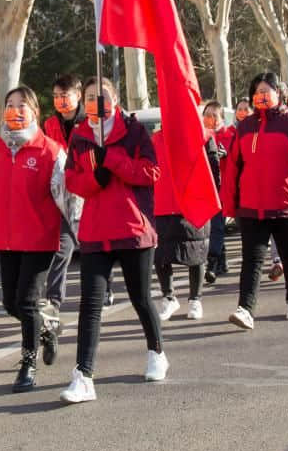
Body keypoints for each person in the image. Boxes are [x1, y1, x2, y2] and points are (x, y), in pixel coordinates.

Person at [0, 87, 76, 392]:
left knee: (26, 302)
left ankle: (28, 364)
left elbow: (69, 200)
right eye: (9, 105)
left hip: (41, 238)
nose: (15, 110)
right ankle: (49, 324)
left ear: (35, 112)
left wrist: (82, 236)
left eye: (22, 105)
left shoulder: (51, 151)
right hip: (6, 239)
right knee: (10, 304)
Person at [60, 77, 165, 403]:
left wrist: (114, 162)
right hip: (95, 231)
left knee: (141, 298)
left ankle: (156, 352)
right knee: (90, 305)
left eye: (101, 96)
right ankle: (83, 376)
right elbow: (73, 180)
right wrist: (96, 177)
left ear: (115, 98)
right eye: (89, 97)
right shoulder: (79, 135)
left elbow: (150, 172)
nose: (96, 101)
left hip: (133, 227)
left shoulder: (134, 131)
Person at [221, 72, 288, 330]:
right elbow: (232, 168)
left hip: (286, 204)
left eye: (266, 91)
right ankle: (245, 309)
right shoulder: (245, 126)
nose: (261, 96)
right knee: (252, 259)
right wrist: (229, 204)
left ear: (279, 93)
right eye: (257, 92)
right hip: (251, 206)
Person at [41, 74, 86, 339]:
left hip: (87, 194)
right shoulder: (48, 124)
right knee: (62, 250)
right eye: (56, 96)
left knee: (94, 248)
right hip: (61, 196)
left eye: (64, 95)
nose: (59, 101)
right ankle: (54, 303)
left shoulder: (91, 122)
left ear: (77, 95)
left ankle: (105, 287)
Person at [153, 122, 212, 323]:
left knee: (196, 252)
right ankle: (168, 297)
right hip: (161, 203)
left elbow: (211, 163)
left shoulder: (197, 134)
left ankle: (195, 299)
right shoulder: (155, 139)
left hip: (191, 202)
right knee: (161, 256)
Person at [202, 101, 231, 284]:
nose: (210, 119)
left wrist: (225, 154)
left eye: (215, 115)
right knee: (215, 227)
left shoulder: (229, 135)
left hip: (223, 188)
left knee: (217, 227)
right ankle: (222, 261)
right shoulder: (201, 136)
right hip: (206, 188)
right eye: (207, 114)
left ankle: (212, 263)